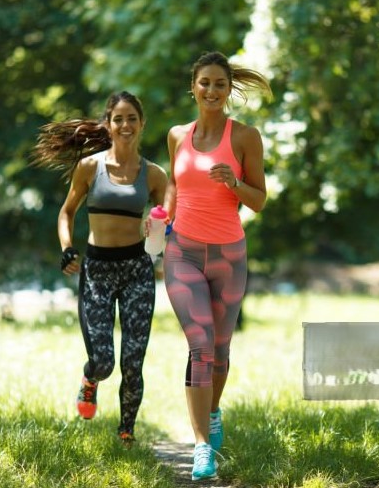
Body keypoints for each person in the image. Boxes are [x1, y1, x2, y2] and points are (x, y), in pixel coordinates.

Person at [157, 51, 272, 480]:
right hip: (182, 253)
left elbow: (259, 201)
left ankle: (214, 410)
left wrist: (235, 183)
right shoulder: (176, 135)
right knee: (201, 348)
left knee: (221, 353)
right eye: (204, 82)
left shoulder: (245, 137)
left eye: (219, 84)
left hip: (229, 256)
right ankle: (201, 445)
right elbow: (174, 183)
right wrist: (162, 219)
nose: (211, 90)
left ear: (228, 91)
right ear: (193, 87)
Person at [32, 91, 168, 445]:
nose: (125, 125)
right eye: (118, 119)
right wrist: (66, 249)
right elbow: (66, 212)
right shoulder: (90, 167)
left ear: (142, 124)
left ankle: (126, 432)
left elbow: (166, 221)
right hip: (98, 273)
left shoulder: (154, 174)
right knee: (104, 360)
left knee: (133, 361)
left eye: (132, 119)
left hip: (136, 271)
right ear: (108, 125)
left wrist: (161, 237)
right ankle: (90, 381)